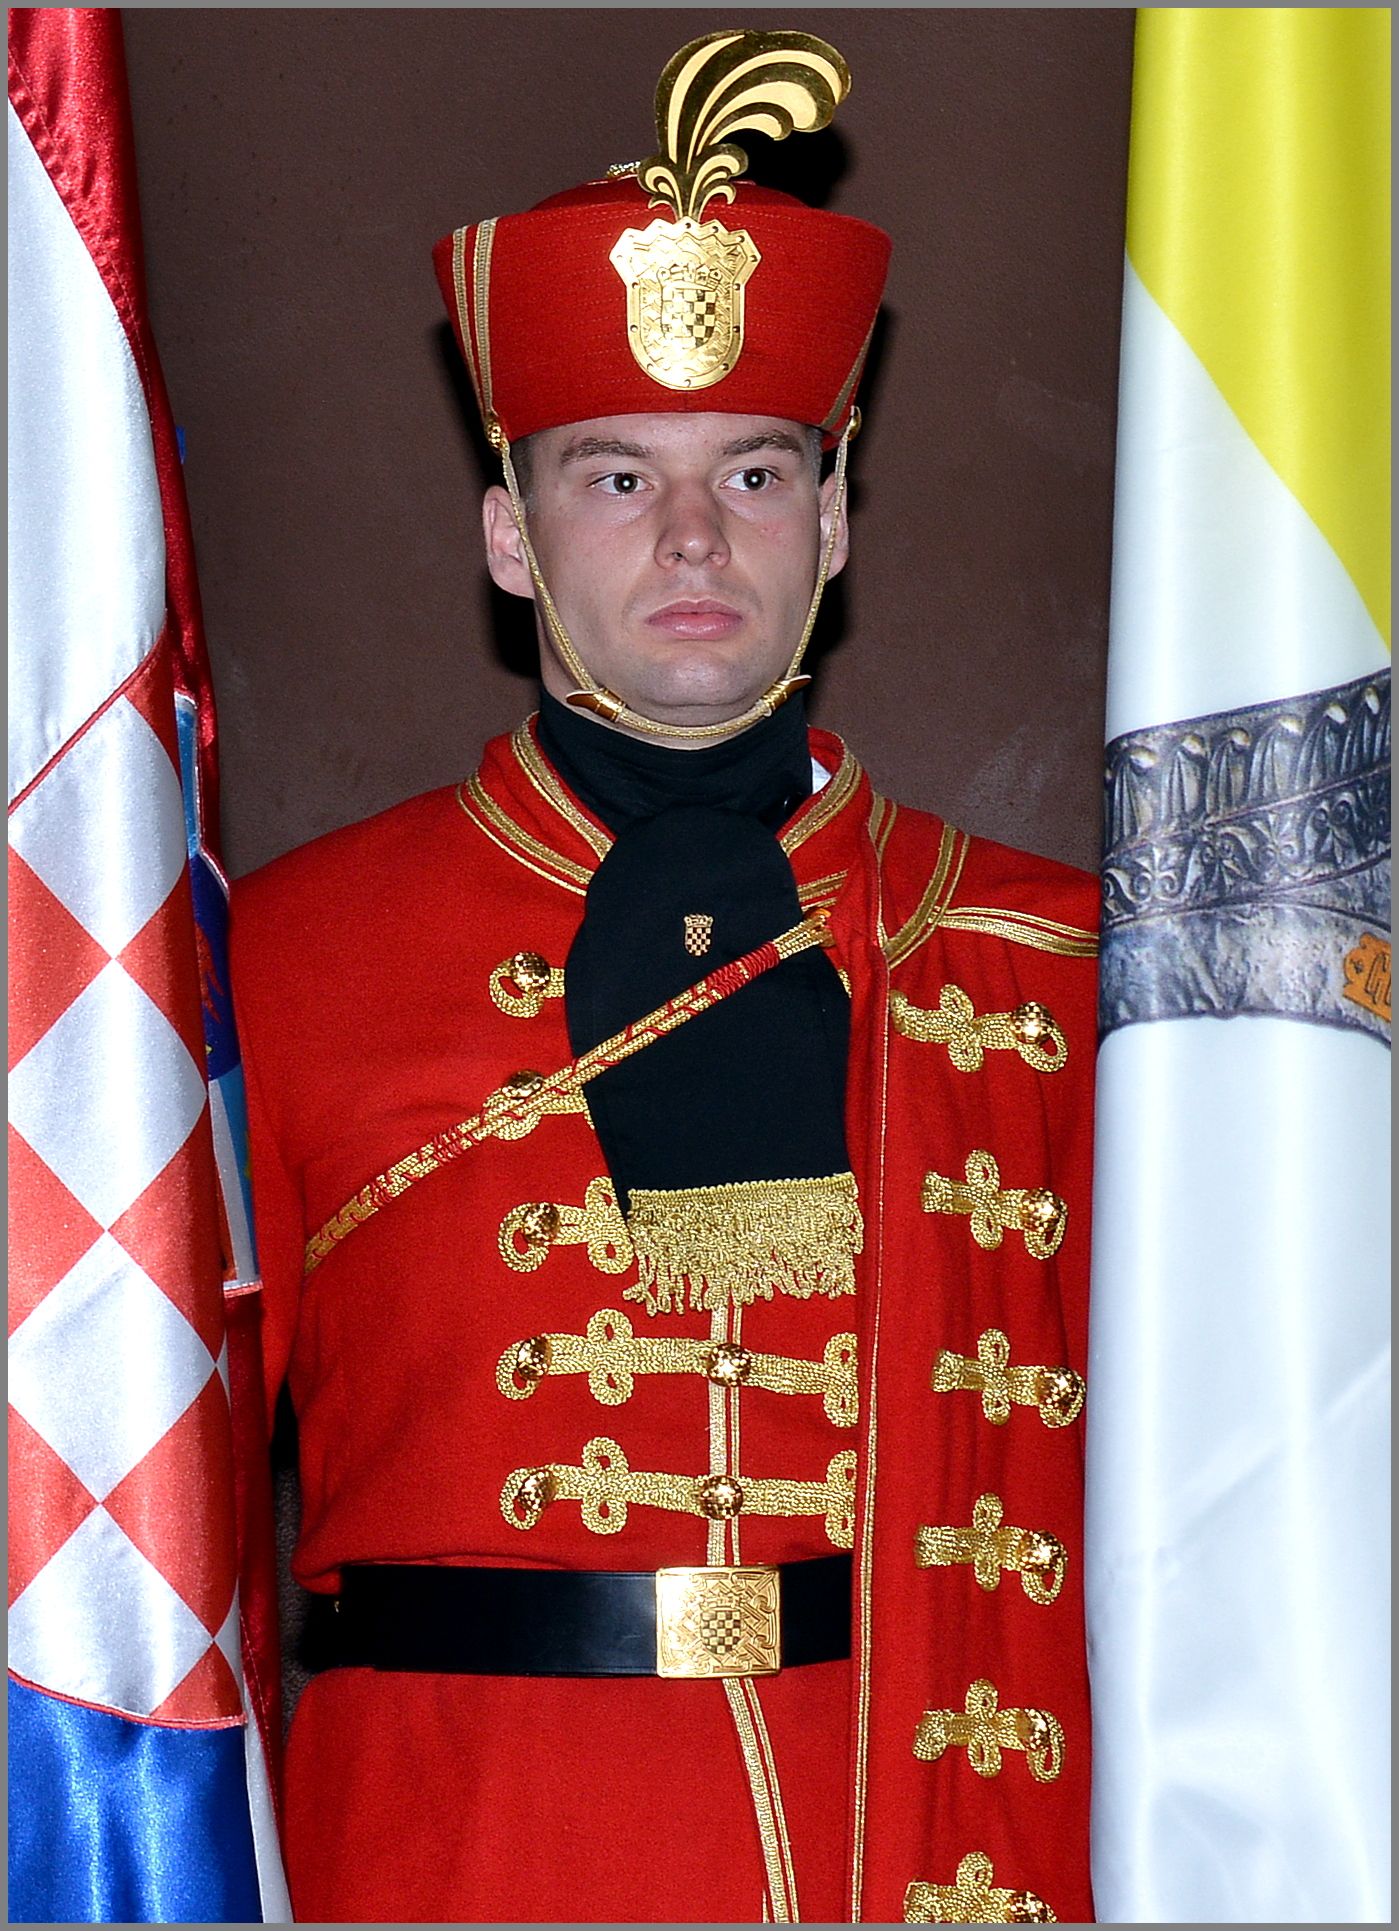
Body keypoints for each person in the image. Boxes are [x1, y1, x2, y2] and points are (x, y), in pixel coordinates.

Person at [230, 29, 1098, 1925]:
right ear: (509, 534)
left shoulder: (1048, 960)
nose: (694, 536)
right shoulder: (276, 958)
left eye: (755, 472)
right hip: (449, 1853)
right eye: (616, 476)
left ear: (834, 521)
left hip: (902, 1842)